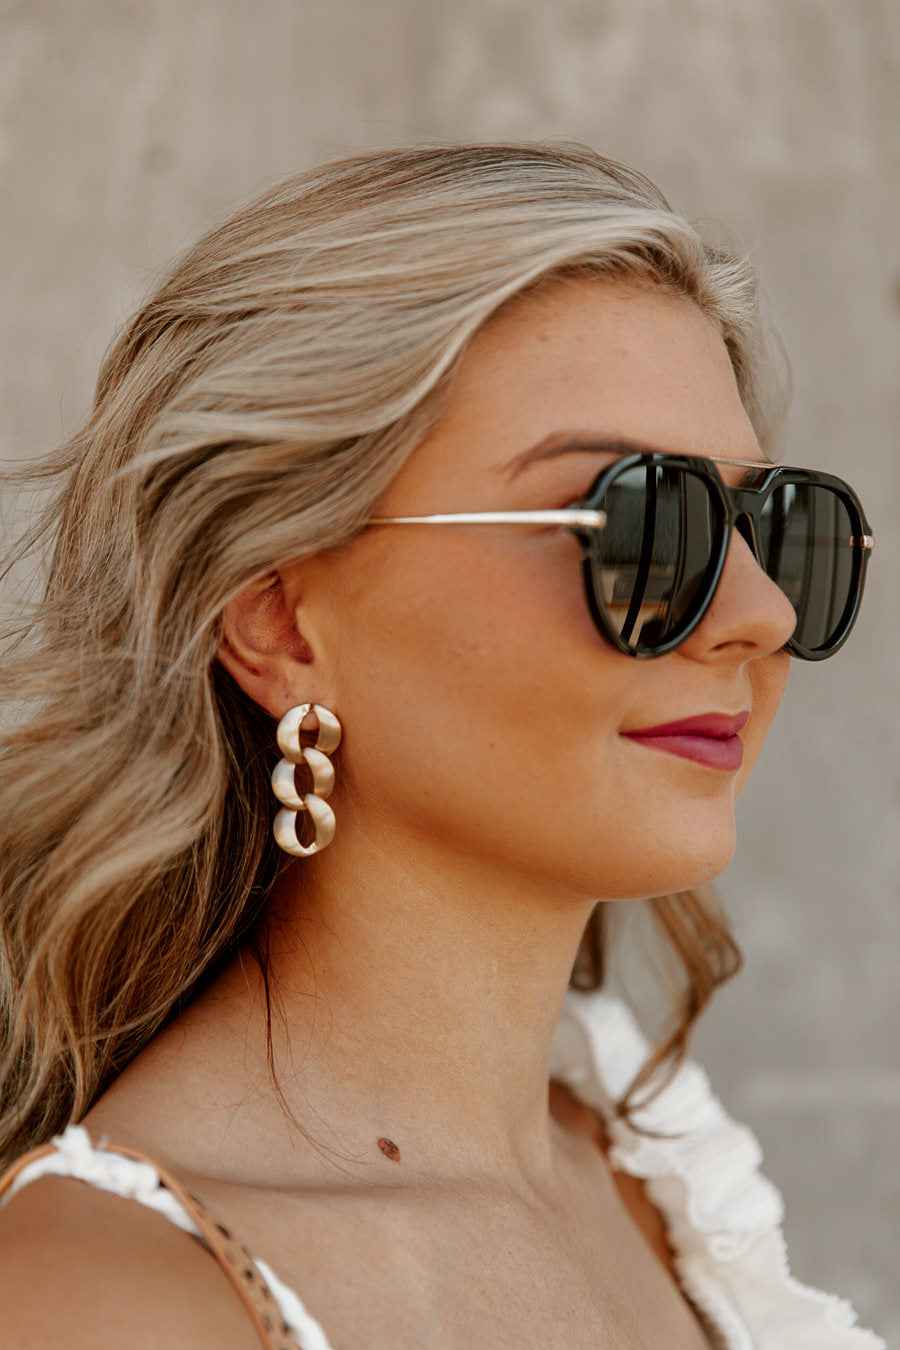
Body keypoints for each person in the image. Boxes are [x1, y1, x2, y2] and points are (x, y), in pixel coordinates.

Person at [0, 142, 883, 1349]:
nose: (761, 614)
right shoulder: (102, 1299)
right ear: (278, 620)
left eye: (774, 527)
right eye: (639, 522)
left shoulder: (652, 1171)